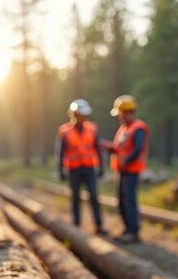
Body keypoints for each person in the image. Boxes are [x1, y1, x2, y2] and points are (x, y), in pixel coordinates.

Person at [101, 95, 149, 243]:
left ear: (126, 112)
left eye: (120, 114)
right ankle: (127, 228)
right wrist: (109, 148)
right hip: (121, 171)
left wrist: (126, 161)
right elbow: (120, 148)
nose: (119, 117)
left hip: (131, 171)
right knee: (121, 201)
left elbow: (137, 149)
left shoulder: (138, 128)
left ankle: (133, 231)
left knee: (129, 201)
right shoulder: (124, 129)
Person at [56, 99, 107, 235]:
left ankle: (98, 225)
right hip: (74, 169)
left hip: (89, 168)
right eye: (81, 115)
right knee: (75, 197)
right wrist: (60, 169)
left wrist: (101, 166)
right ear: (74, 115)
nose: (83, 118)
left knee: (94, 196)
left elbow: (98, 149)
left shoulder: (92, 129)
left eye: (85, 115)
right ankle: (76, 224)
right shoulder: (64, 131)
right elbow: (60, 152)